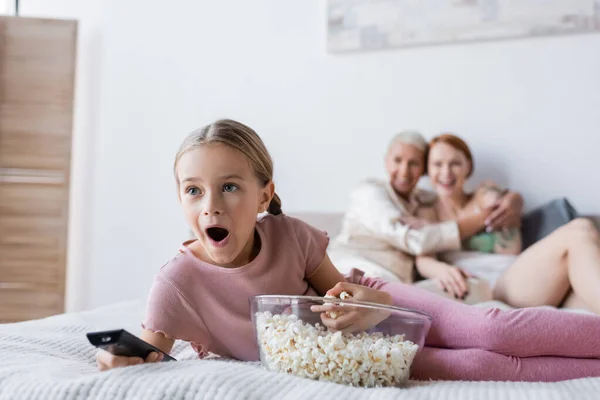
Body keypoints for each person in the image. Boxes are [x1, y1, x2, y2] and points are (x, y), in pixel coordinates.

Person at [96, 119, 600, 382]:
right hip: (351, 353)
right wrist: (122, 363)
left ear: (264, 195)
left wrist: (360, 306)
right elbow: (147, 355)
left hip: (376, 304)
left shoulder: (289, 235)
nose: (212, 207)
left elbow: (360, 293)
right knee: (479, 367)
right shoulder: (176, 284)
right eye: (193, 191)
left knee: (489, 328)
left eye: (229, 187)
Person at [415, 134, 600, 314]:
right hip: (491, 287)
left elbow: (495, 200)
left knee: (586, 301)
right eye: (437, 164)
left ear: (468, 166)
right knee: (579, 230)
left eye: (455, 163)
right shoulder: (426, 211)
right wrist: (441, 269)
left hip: (523, 275)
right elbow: (422, 256)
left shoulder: (483, 194)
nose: (446, 172)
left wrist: (512, 199)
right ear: (427, 170)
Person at [328, 131, 523, 289]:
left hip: (396, 282)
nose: (404, 171)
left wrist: (514, 199)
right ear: (386, 161)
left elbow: (451, 196)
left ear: (423, 170)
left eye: (413, 163)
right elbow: (416, 240)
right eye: (397, 160)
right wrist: (481, 219)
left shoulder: (423, 201)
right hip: (359, 268)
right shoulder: (370, 193)